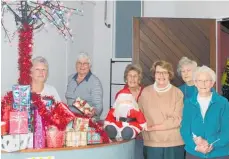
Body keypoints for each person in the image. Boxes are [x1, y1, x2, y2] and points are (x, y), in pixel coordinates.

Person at [139, 60, 185, 159]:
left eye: (165, 72)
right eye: (158, 72)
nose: (161, 75)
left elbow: (176, 120)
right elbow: (139, 115)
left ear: (169, 75)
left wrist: (154, 127)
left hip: (173, 143)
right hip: (152, 143)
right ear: (154, 74)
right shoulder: (145, 92)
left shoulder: (177, 93)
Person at [180, 66, 229, 159]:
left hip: (219, 153)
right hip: (194, 153)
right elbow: (185, 130)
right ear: (195, 83)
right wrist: (196, 147)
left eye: (207, 80)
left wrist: (208, 142)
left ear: (212, 83)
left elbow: (227, 131)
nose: (203, 84)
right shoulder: (188, 103)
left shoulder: (223, 103)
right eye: (200, 81)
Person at [104, 64, 146, 141]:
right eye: (130, 76)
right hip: (123, 132)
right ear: (126, 78)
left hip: (142, 132)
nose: (132, 79)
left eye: (135, 76)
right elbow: (115, 112)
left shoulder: (145, 92)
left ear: (139, 79)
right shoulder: (120, 94)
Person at [65, 52, 103, 119]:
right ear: (76, 65)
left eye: (85, 63)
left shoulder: (95, 82)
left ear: (89, 66)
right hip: (70, 117)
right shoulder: (70, 78)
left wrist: (93, 112)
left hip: (86, 120)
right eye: (79, 63)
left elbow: (98, 107)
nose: (82, 66)